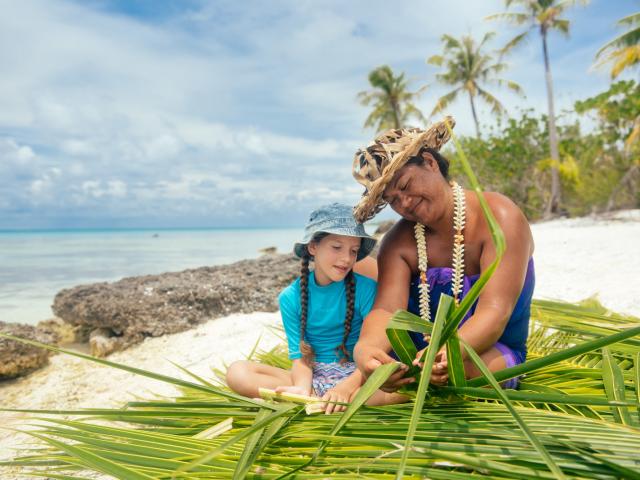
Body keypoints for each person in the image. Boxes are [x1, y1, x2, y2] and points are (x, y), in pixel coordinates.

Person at [351, 117, 535, 392]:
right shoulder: (397, 243)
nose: (405, 203)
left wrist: (452, 351)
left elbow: (495, 311)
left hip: (489, 351)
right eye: (393, 200)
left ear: (430, 162)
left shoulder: (499, 217)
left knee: (461, 376)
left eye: (405, 185)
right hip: (418, 358)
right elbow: (387, 309)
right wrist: (366, 350)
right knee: (381, 377)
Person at [226, 203, 404, 413]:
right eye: (336, 247)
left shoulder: (366, 289)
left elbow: (375, 350)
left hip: (360, 376)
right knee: (236, 373)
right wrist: (301, 388)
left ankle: (336, 400)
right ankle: (315, 398)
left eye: (353, 251)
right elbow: (300, 358)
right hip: (313, 378)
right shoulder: (290, 298)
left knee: (398, 391)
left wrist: (346, 387)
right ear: (313, 247)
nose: (346, 258)